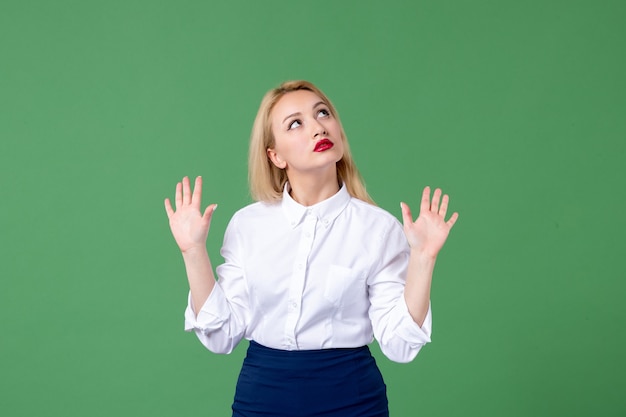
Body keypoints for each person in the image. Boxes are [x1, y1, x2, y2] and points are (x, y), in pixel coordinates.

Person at [164, 80, 458, 417]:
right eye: (296, 123)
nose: (318, 127)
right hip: (263, 397)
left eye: (323, 113)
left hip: (352, 399)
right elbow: (221, 336)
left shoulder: (378, 229)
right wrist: (193, 251)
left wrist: (423, 258)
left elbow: (400, 345)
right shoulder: (248, 226)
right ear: (275, 156)